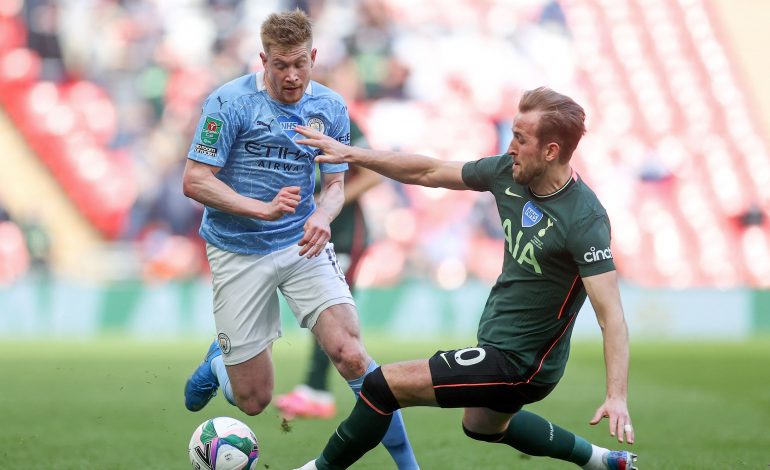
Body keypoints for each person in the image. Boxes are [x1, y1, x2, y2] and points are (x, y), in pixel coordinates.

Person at [293, 87, 638, 470]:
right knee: (481, 425)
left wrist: (616, 396)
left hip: (521, 363)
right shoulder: (507, 173)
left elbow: (611, 315)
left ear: (551, 151)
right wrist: (352, 154)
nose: (510, 148)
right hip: (499, 342)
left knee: (381, 385)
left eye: (520, 139)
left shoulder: (585, 220)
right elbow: (428, 171)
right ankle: (602, 461)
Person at [181, 9, 418, 469]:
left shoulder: (329, 107)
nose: (291, 76)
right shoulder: (228, 103)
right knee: (254, 400)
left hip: (301, 244)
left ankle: (410, 466)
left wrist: (324, 216)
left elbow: (335, 186)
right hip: (237, 249)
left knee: (351, 355)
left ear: (313, 57)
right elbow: (195, 180)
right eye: (280, 65)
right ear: (263, 60)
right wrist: (260, 208)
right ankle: (219, 364)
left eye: (299, 64)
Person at [275, 119, 382, 420]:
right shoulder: (287, 118)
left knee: (334, 314)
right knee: (322, 313)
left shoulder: (341, 119)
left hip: (345, 234)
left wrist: (326, 201)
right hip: (312, 233)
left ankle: (321, 392)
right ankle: (315, 389)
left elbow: (373, 176)